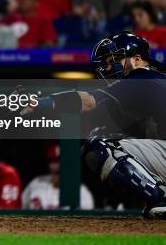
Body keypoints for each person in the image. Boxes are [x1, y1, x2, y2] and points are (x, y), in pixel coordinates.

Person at [20, 32, 166, 219]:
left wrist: (41, 102)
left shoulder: (142, 78)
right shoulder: (155, 79)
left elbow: (88, 101)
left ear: (137, 59)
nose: (107, 68)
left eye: (114, 60)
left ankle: (160, 199)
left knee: (101, 144)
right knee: (121, 138)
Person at [22, 144, 94, 209]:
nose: (56, 166)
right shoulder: (36, 183)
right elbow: (20, 209)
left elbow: (88, 219)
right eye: (53, 161)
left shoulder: (81, 191)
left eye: (60, 161)